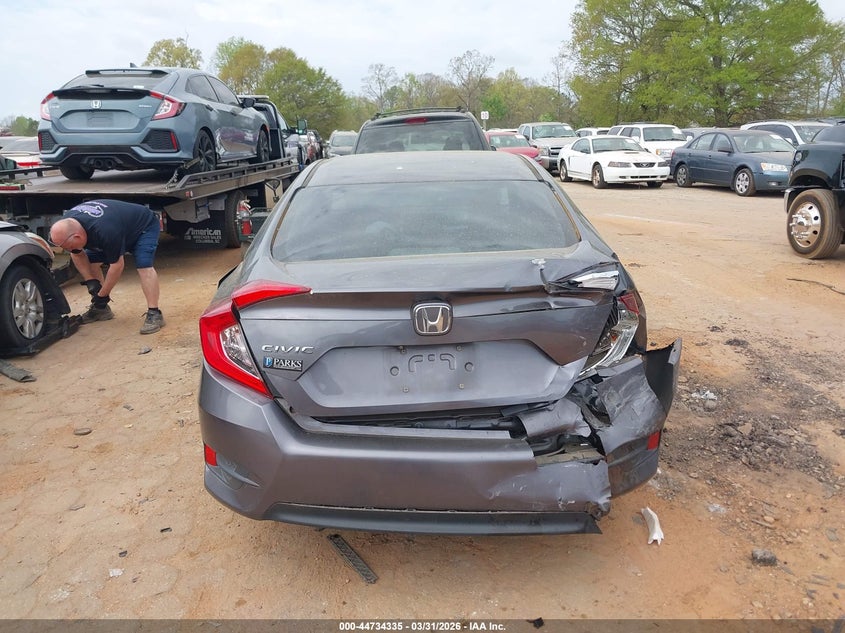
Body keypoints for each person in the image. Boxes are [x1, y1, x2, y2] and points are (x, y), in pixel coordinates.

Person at [48, 199, 165, 335]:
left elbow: (117, 266)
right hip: (117, 228)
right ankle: (101, 310)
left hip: (143, 227)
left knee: (144, 266)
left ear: (77, 236)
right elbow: (76, 253)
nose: (68, 250)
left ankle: (154, 313)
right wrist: (90, 281)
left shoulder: (106, 230)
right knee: (91, 263)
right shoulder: (67, 224)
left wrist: (103, 294)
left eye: (68, 246)